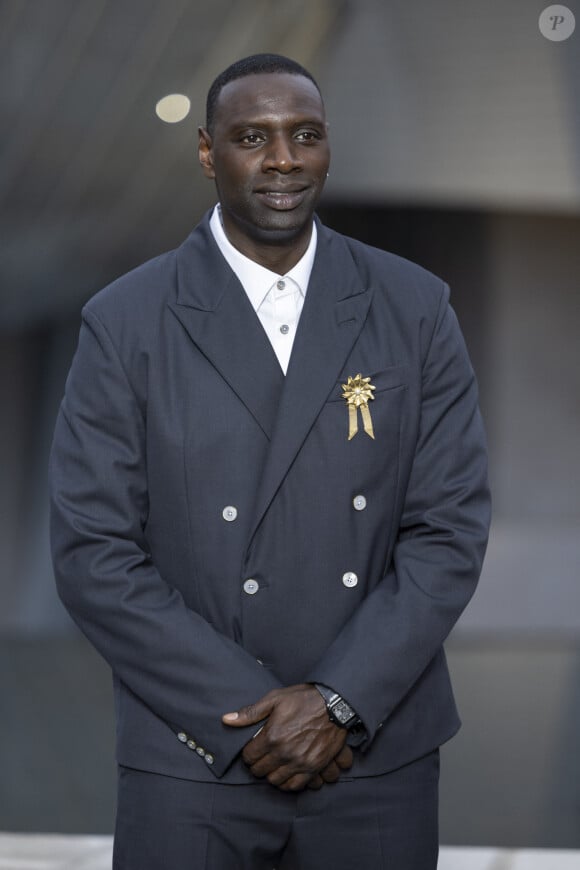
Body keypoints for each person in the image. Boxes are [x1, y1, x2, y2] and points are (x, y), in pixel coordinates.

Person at [49, 53, 491, 870]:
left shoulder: (414, 305)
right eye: (253, 137)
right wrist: (251, 714)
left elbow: (449, 528)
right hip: (193, 754)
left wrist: (338, 701)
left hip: (373, 750)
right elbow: (94, 554)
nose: (283, 160)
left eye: (305, 136)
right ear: (208, 151)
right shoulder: (127, 320)